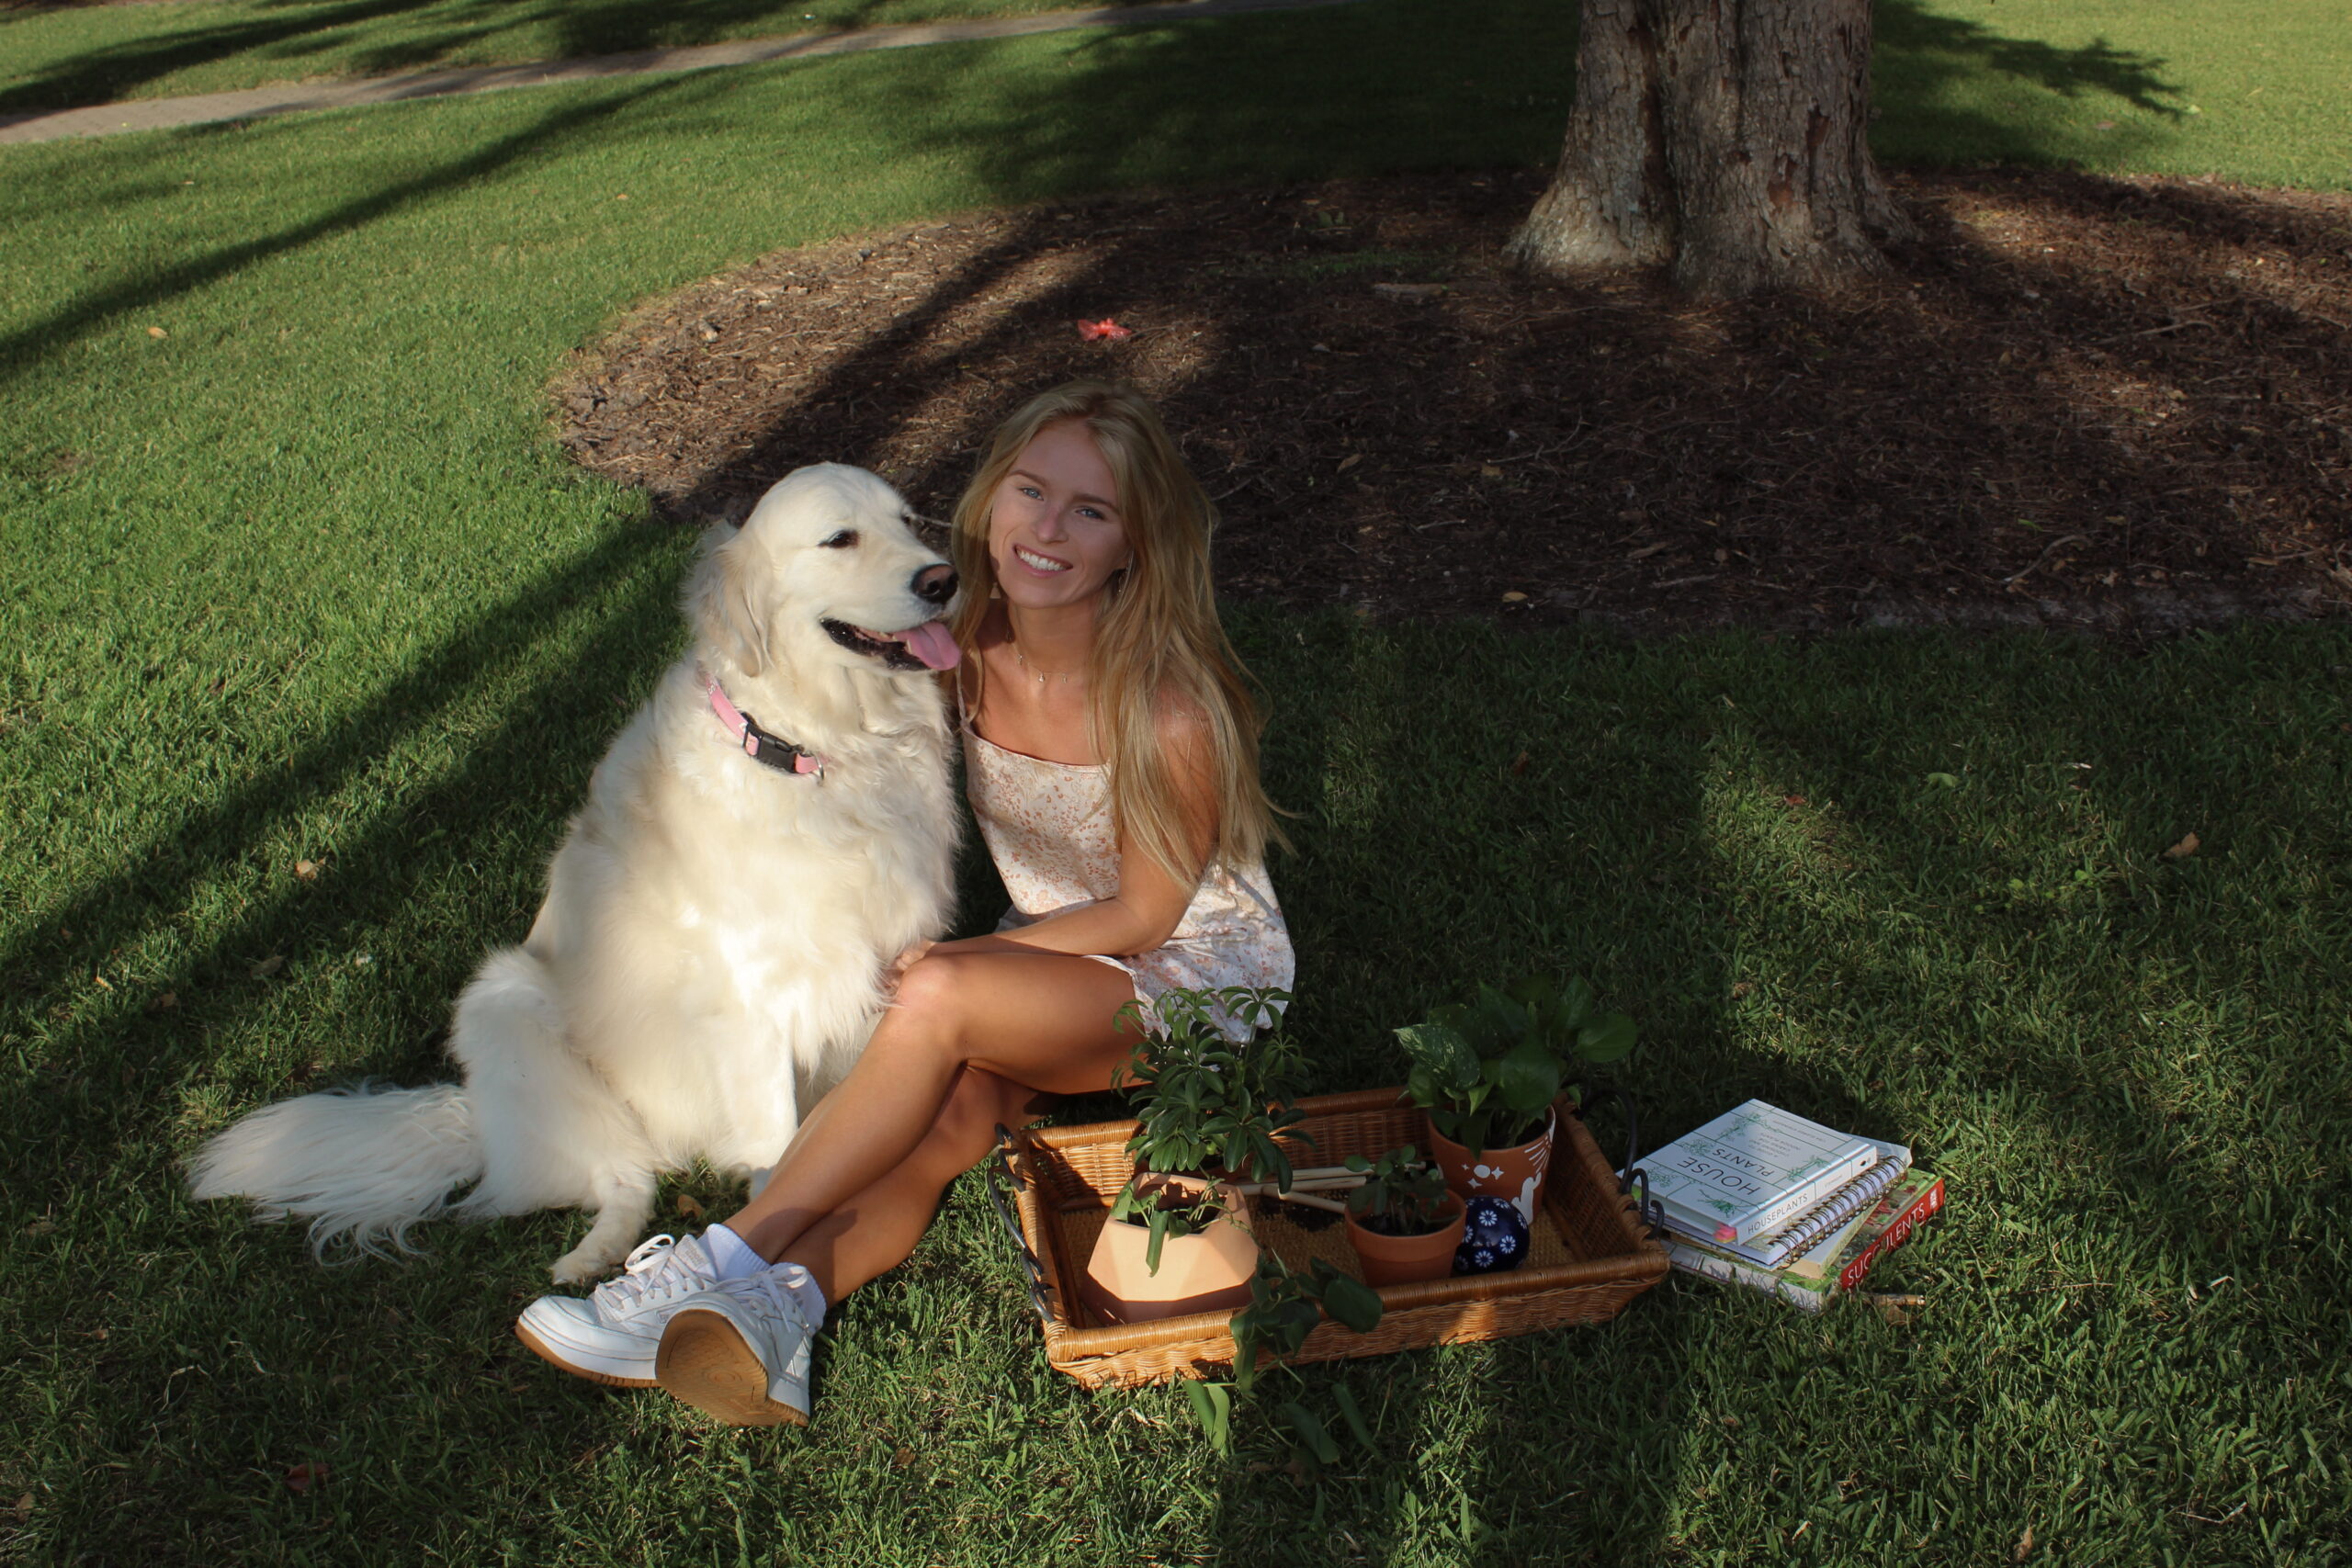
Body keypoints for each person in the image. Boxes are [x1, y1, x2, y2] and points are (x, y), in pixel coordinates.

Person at [516, 381, 1294, 1426]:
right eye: (1030, 491)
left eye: (1092, 512)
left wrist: (959, 970)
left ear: (1134, 549)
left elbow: (1147, 920)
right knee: (943, 1121)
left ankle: (711, 1261)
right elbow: (796, 682)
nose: (1048, 529)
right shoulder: (953, 644)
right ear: (989, 499)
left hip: (1194, 982)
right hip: (1053, 960)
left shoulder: (1164, 705)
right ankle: (784, 1313)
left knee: (929, 1003)